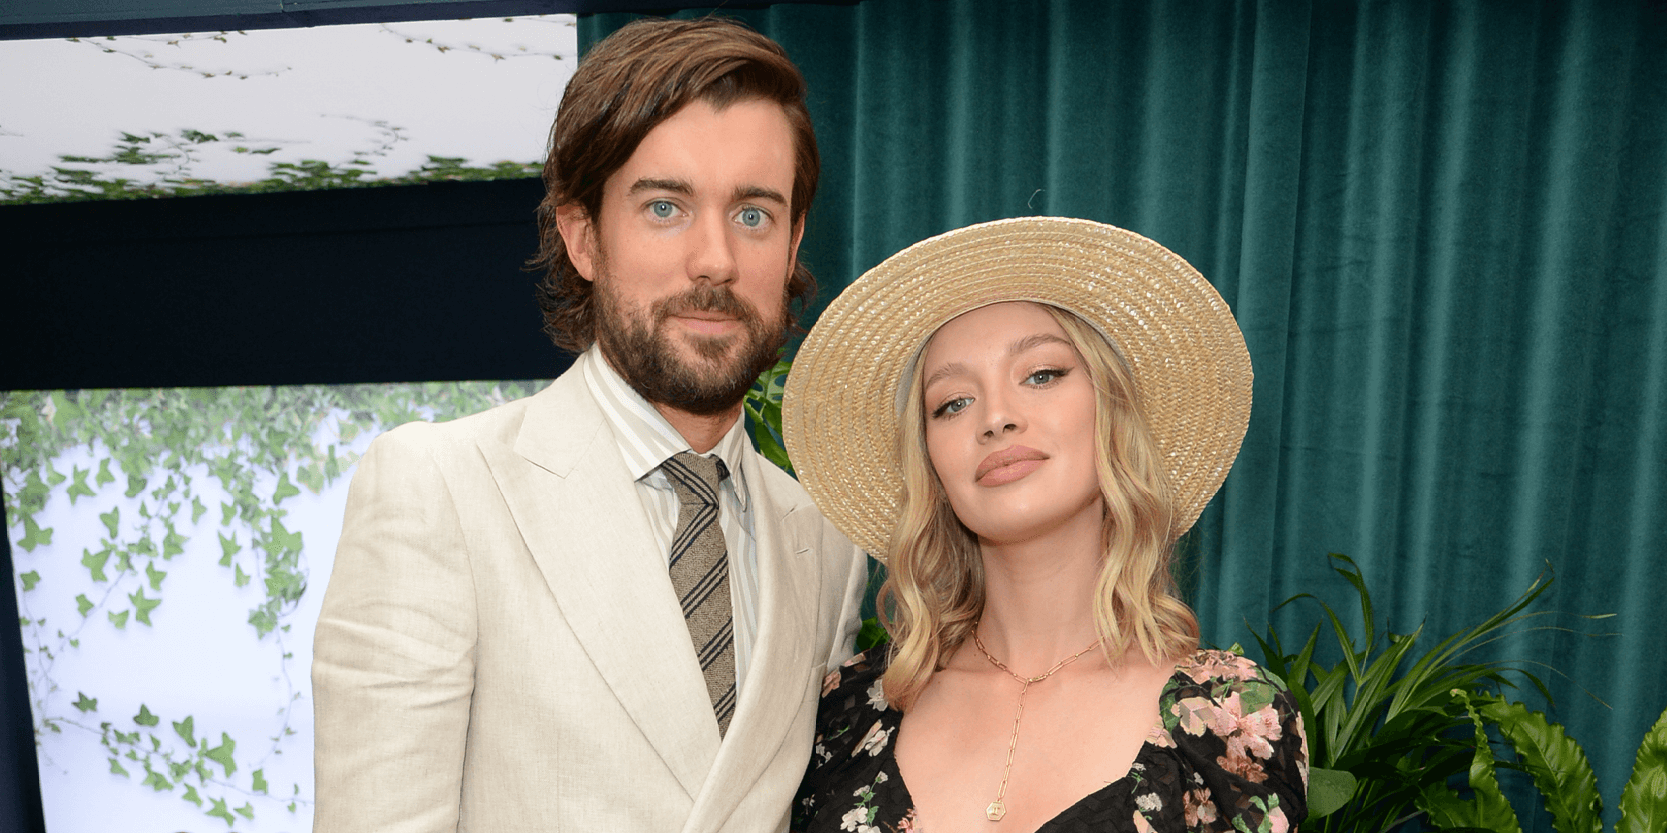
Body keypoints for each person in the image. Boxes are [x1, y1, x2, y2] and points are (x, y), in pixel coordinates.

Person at [311, 17, 868, 832]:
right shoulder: (441, 488)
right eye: (666, 207)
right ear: (582, 237)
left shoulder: (826, 536)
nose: (714, 258)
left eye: (753, 214)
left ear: (791, 247)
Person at [781, 217, 1308, 832]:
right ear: (929, 462)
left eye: (1041, 374)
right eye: (952, 402)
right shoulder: (845, 711)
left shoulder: (1232, 720)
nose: (996, 417)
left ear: (1111, 409)